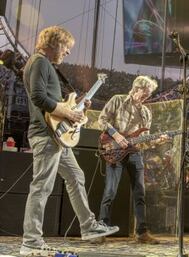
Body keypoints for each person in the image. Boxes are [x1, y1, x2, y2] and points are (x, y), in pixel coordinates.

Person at [20, 26, 119, 256]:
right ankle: (31, 241)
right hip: (45, 135)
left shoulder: (46, 65)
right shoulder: (40, 62)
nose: (67, 52)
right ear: (54, 42)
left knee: (76, 176)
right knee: (42, 185)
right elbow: (37, 96)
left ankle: (88, 226)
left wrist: (75, 109)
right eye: (66, 47)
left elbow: (55, 104)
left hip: (56, 136)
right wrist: (68, 112)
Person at [97, 75, 167, 244]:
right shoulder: (117, 100)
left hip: (135, 154)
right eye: (146, 91)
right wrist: (116, 135)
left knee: (140, 194)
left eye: (149, 93)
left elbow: (144, 138)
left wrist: (156, 141)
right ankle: (101, 230)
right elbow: (102, 120)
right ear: (137, 88)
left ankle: (142, 233)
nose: (148, 95)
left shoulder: (146, 112)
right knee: (110, 192)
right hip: (114, 150)